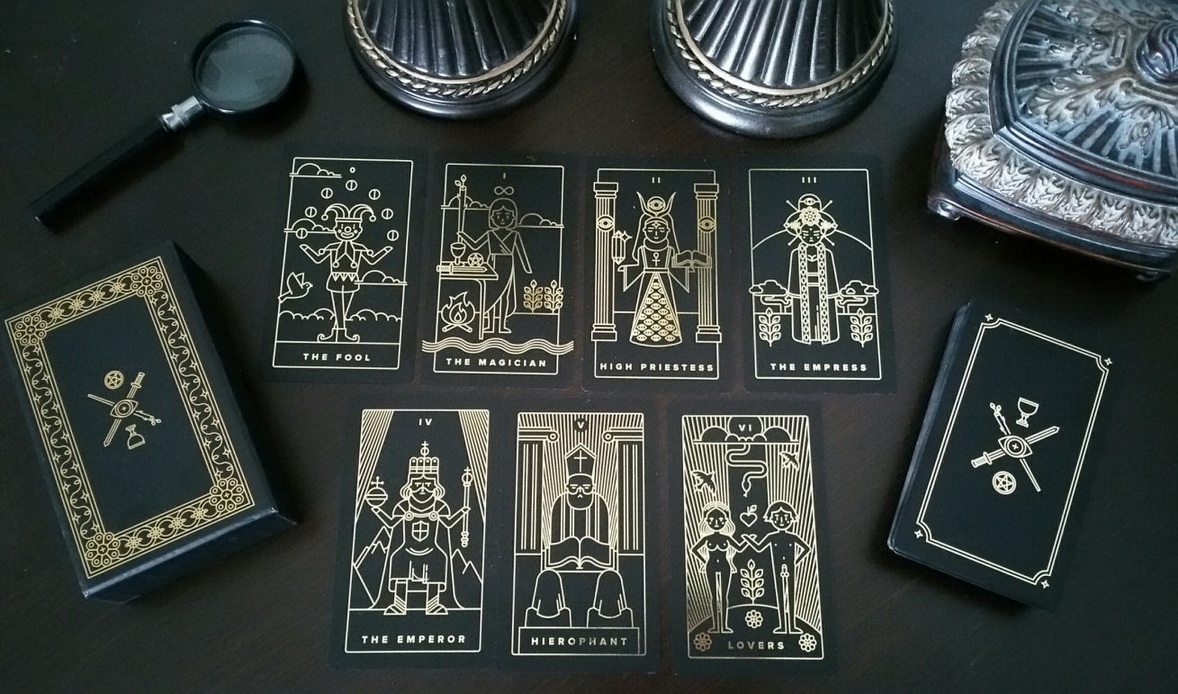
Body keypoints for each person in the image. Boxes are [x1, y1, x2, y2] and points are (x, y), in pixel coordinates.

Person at [365, 442, 469, 616]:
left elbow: (449, 523)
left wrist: (463, 511)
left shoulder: (439, 506)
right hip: (407, 549)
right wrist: (377, 509)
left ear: (435, 487)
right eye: (417, 484)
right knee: (398, 560)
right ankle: (399, 604)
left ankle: (433, 604)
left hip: (432, 549)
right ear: (409, 486)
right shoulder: (403, 506)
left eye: (427, 484)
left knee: (439, 560)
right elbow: (390, 523)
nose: (422, 488)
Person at [300, 202, 393, 343]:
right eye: (342, 227)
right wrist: (306, 248)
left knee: (344, 308)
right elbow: (318, 259)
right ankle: (339, 334)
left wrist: (385, 250)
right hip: (336, 278)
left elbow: (372, 260)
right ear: (336, 229)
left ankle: (338, 333)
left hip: (351, 278)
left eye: (353, 228)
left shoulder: (359, 248)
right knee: (338, 307)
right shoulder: (333, 247)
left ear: (358, 230)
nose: (347, 230)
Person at [620, 193, 690, 347]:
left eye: (661, 230)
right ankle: (641, 336)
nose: (656, 233)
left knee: (668, 309)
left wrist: (688, 265)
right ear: (644, 231)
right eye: (651, 229)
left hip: (665, 279)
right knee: (644, 309)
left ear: (668, 231)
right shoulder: (642, 249)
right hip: (647, 280)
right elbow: (637, 267)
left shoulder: (670, 250)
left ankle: (670, 336)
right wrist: (624, 268)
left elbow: (676, 267)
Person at [457, 196, 532, 335]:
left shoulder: (514, 235)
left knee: (504, 296)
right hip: (492, 263)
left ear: (513, 218)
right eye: (498, 215)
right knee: (491, 293)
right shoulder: (490, 234)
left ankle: (501, 325)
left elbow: (521, 253)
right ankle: (489, 325)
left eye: (507, 216)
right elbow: (475, 246)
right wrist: (463, 236)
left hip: (507, 264)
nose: (502, 219)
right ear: (492, 217)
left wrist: (527, 269)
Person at [783, 194, 842, 345]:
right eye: (805, 233)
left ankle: (826, 338)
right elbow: (794, 275)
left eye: (815, 233)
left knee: (825, 314)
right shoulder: (796, 253)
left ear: (822, 233)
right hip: (802, 291)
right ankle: (804, 338)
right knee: (803, 315)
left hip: (824, 291)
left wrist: (834, 293)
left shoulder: (826, 253)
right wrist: (793, 293)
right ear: (799, 234)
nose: (810, 236)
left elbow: (831, 275)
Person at [746, 500, 811, 634]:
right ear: (771, 520)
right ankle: (782, 625)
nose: (781, 521)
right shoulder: (772, 536)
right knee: (779, 594)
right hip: (777, 567)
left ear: (791, 519)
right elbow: (759, 548)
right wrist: (749, 539)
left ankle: (792, 625)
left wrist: (796, 560)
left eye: (785, 518)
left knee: (791, 594)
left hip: (790, 566)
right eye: (777, 518)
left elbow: (806, 548)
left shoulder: (792, 537)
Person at [546, 446, 612, 570]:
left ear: (592, 487)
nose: (580, 492)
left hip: (595, 564)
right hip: (563, 564)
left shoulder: (599, 503)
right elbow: (554, 542)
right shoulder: (560, 503)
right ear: (567, 487)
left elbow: (604, 542)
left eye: (586, 487)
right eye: (574, 487)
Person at [690, 501, 749, 634]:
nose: (716, 523)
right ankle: (716, 626)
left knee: (724, 596)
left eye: (720, 520)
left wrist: (747, 539)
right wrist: (704, 561)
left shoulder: (726, 538)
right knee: (713, 596)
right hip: (711, 566)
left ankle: (724, 625)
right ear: (707, 522)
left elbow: (739, 548)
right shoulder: (707, 538)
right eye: (712, 520)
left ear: (725, 521)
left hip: (725, 566)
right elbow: (694, 549)